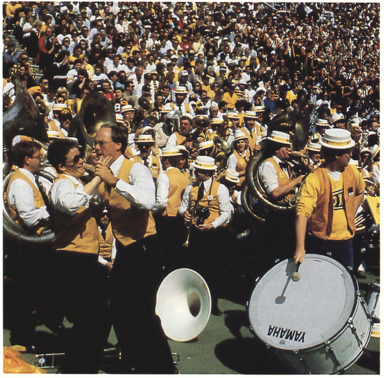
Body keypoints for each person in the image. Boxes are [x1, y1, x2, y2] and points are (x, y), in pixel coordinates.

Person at [93, 124, 175, 374]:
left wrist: (114, 181)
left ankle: (164, 369)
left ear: (118, 145)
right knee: (118, 307)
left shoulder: (135, 168)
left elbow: (148, 201)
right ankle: (135, 360)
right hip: (126, 249)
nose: (96, 148)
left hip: (144, 247)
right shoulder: (102, 173)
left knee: (143, 312)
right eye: (96, 143)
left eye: (101, 143)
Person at [48, 138, 112, 373]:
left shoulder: (75, 182)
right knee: (94, 319)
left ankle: (79, 368)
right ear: (62, 166)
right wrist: (97, 177)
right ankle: (79, 369)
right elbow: (71, 204)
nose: (82, 160)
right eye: (76, 158)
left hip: (84, 258)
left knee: (94, 320)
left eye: (80, 155)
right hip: (72, 260)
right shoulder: (61, 184)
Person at [294, 129, 365, 271]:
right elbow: (302, 213)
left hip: (346, 241)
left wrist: (351, 212)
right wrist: (300, 247)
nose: (350, 156)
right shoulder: (314, 178)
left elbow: (360, 191)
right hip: (321, 242)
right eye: (347, 152)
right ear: (336, 155)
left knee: (346, 284)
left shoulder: (352, 172)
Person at [5, 139, 51, 349]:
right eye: (38, 157)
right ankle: (22, 339)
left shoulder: (28, 179)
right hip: (27, 246)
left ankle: (25, 336)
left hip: (31, 245)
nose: (41, 160)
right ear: (27, 159)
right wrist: (51, 211)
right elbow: (30, 218)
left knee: (31, 292)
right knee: (26, 293)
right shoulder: (21, 182)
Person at [179, 156, 232, 316]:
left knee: (213, 270)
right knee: (195, 268)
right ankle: (195, 303)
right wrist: (185, 214)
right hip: (194, 234)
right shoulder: (190, 187)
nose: (195, 173)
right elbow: (182, 207)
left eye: (199, 171)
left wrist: (212, 225)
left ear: (207, 173)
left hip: (213, 235)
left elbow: (226, 213)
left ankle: (212, 303)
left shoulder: (220, 189)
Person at [258, 131, 304, 262]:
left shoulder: (288, 164)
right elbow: (275, 193)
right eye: (286, 147)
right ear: (277, 149)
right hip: (277, 217)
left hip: (290, 214)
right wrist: (296, 182)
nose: (290, 150)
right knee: (279, 255)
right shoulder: (268, 165)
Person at [153, 146, 190, 272]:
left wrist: (151, 211)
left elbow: (162, 202)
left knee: (165, 253)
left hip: (166, 220)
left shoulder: (164, 177)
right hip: (180, 219)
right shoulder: (185, 178)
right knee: (176, 254)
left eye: (163, 160)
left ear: (167, 161)